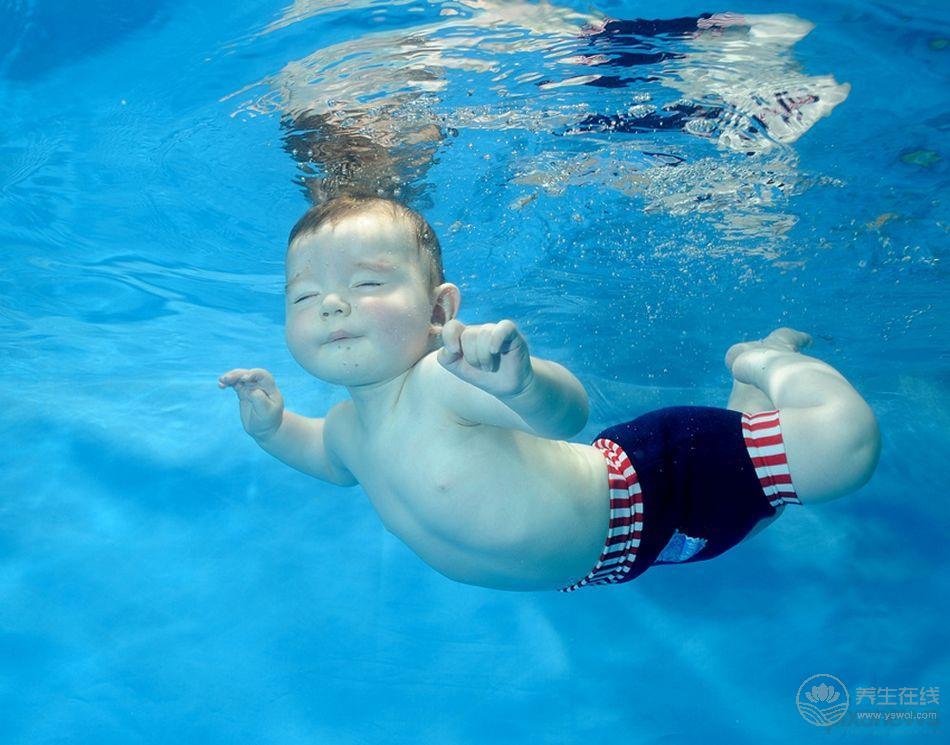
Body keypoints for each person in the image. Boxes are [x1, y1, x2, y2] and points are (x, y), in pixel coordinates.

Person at [218, 196, 880, 592]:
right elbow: (320, 459)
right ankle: (746, 401)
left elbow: (569, 415)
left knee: (844, 447)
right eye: (306, 296)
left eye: (367, 285)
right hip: (630, 554)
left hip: (658, 482)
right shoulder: (347, 433)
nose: (333, 305)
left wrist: (524, 384)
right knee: (757, 508)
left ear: (438, 307)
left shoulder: (442, 381)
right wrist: (269, 428)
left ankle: (767, 359)